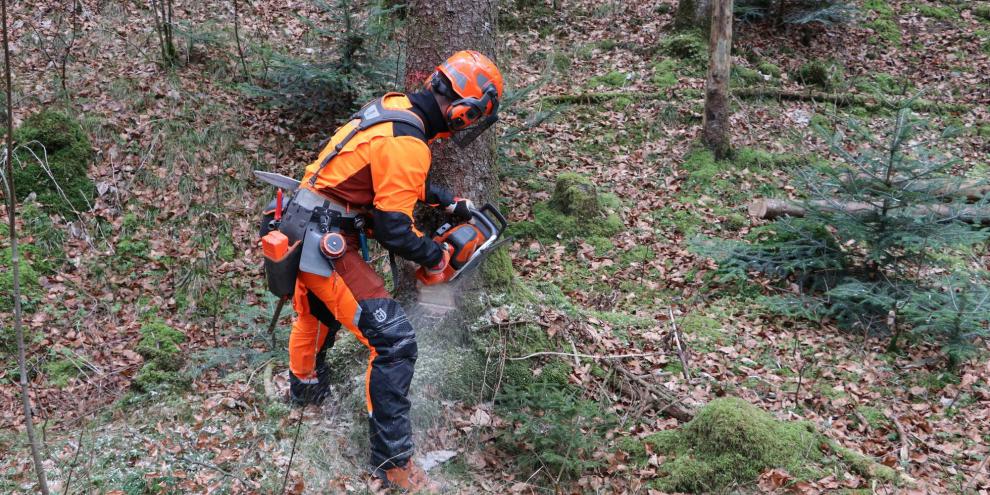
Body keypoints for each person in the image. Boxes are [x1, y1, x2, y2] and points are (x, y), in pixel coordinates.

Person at [285, 50, 503, 491]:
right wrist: (434, 256)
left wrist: (444, 199)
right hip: (324, 238)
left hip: (300, 222)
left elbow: (390, 174)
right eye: (469, 118)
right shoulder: (409, 142)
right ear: (464, 111)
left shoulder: (396, 110)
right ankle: (393, 462)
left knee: (317, 315)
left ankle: (304, 394)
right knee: (395, 342)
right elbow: (393, 228)